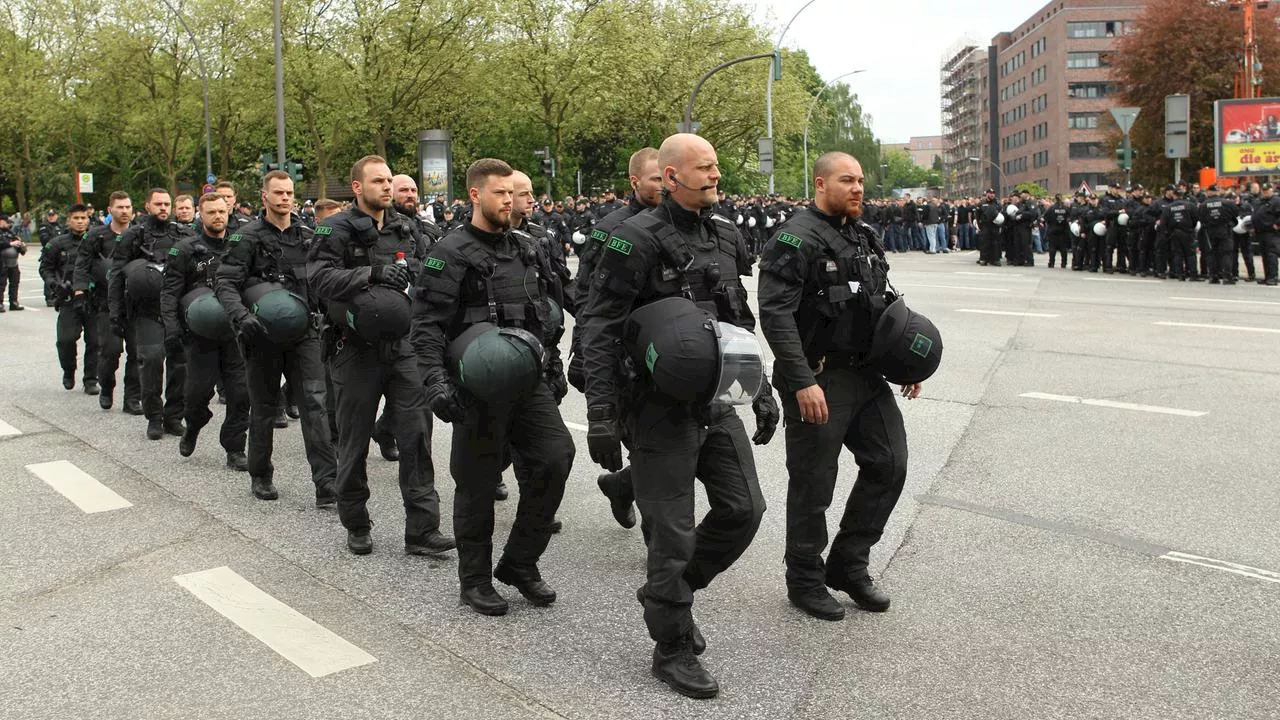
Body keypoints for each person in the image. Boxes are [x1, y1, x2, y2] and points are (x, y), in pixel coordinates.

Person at [578, 134, 775, 699]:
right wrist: (601, 413)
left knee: (745, 510)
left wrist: (758, 389)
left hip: (717, 398)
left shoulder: (726, 235)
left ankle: (671, 595)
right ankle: (672, 645)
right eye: (704, 168)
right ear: (669, 176)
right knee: (672, 534)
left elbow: (737, 319)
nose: (715, 176)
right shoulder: (630, 240)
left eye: (716, 167)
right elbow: (598, 327)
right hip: (655, 407)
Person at [758, 151, 917, 626]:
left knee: (890, 464)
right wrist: (802, 381)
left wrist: (904, 357)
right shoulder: (794, 238)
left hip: (867, 374)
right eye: (847, 180)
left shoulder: (862, 233)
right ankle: (804, 578)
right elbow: (776, 314)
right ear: (820, 183)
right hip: (819, 377)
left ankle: (848, 563)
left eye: (861, 181)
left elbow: (881, 303)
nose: (857, 188)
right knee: (814, 482)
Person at [411, 158, 573, 617]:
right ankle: (475, 579)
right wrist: (436, 384)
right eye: (500, 193)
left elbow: (544, 314)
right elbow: (425, 327)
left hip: (528, 380)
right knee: (478, 481)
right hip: (474, 385)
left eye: (513, 192)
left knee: (555, 458)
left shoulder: (528, 247)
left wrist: (553, 364)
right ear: (475, 196)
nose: (509, 200)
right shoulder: (450, 252)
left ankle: (520, 562)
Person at [308, 156, 453, 557]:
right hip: (354, 349)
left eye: (390, 180)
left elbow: (428, 270)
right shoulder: (333, 228)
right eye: (378, 181)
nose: (387, 187)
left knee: (417, 436)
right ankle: (356, 522)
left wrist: (414, 275)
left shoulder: (405, 227)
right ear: (357, 187)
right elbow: (318, 278)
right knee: (354, 442)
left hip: (404, 346)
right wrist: (369, 275)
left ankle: (423, 530)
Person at [214, 170, 338, 502]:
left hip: (305, 333)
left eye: (289, 193)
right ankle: (260, 474)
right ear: (264, 196)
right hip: (261, 335)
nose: (285, 198)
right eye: (278, 193)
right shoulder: (246, 237)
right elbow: (225, 283)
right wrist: (241, 317)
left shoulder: (309, 236)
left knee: (315, 404)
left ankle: (327, 482)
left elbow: (325, 282)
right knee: (264, 408)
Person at [572, 147, 663, 528]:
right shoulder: (611, 229)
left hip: (671, 355)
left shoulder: (681, 223)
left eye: (667, 177)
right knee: (654, 452)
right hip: (623, 359)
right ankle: (663, 554)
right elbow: (586, 298)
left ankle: (623, 486)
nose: (664, 185)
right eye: (656, 178)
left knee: (667, 453)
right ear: (635, 181)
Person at [161, 192, 250, 471]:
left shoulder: (241, 245)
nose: (218, 217)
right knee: (197, 395)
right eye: (211, 212)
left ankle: (234, 448)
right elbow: (170, 292)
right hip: (199, 336)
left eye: (222, 212)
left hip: (234, 333)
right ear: (201, 214)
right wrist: (173, 330)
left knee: (241, 393)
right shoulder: (185, 249)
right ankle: (193, 425)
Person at [109, 188, 194, 440]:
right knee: (151, 362)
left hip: (176, 311)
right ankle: (154, 417)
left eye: (167, 204)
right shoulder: (133, 237)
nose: (163, 208)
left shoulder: (183, 234)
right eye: (158, 204)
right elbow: (116, 274)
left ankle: (173, 416)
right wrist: (116, 312)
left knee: (180, 366)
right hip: (146, 311)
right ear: (147, 206)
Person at [73, 191, 142, 413]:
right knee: (111, 351)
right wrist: (80, 290)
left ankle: (132, 399)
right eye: (120, 207)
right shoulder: (96, 236)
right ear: (110, 210)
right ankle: (106, 388)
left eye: (128, 207)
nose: (124, 211)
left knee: (136, 352)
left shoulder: (140, 234)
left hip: (134, 302)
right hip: (105, 303)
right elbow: (82, 264)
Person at [39, 204, 98, 392]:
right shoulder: (57, 243)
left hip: (93, 298)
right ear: (69, 220)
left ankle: (90, 380)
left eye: (83, 218)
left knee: (95, 341)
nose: (80, 222)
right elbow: (46, 268)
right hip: (68, 299)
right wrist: (53, 284)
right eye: (76, 218)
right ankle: (68, 370)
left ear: (88, 219)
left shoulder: (97, 240)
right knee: (66, 340)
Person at [0, 215, 26, 312]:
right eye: (6, 221)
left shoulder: (10, 233)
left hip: (13, 262)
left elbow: (19, 244)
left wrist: (21, 246)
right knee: (1, 283)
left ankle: (14, 302)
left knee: (14, 282)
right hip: (1, 262)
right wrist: (10, 244)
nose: (8, 224)